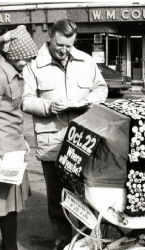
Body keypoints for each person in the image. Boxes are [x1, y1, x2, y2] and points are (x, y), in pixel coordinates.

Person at [21, 19, 108, 250]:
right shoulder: (33, 65)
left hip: (83, 142)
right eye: (59, 45)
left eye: (69, 46)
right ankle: (62, 244)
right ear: (50, 37)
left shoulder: (86, 61)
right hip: (52, 143)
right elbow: (25, 100)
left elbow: (102, 88)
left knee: (86, 196)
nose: (64, 50)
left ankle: (88, 243)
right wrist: (49, 107)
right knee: (57, 199)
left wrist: (89, 101)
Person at [0, 25, 38, 250]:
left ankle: (7, 246)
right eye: (25, 59)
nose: (28, 63)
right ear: (13, 55)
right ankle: (9, 247)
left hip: (14, 150)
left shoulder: (13, 72)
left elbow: (11, 115)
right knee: (8, 207)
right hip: (3, 155)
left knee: (12, 207)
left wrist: (22, 142)